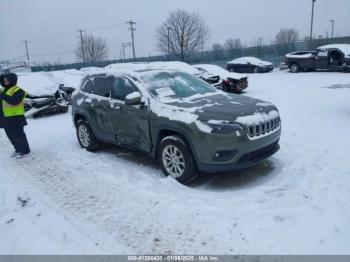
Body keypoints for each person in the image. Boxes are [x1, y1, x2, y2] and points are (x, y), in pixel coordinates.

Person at [0, 73, 31, 158]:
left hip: (15, 117)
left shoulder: (18, 90)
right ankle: (17, 149)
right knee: (10, 136)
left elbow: (15, 101)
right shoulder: (2, 90)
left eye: (6, 80)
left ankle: (24, 151)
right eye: (4, 80)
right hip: (4, 118)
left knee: (19, 135)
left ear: (12, 80)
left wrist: (2, 96)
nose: (5, 81)